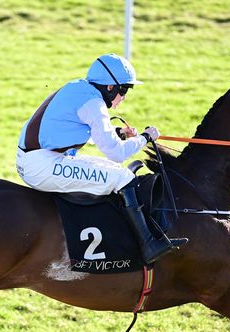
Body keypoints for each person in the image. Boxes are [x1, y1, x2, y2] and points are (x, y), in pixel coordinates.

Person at [16, 53, 187, 264]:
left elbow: (72, 132)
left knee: (109, 170)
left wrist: (119, 133)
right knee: (123, 177)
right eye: (123, 90)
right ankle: (150, 244)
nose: (123, 97)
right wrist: (145, 138)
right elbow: (117, 154)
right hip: (42, 165)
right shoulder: (94, 105)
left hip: (35, 159)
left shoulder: (77, 87)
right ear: (109, 87)